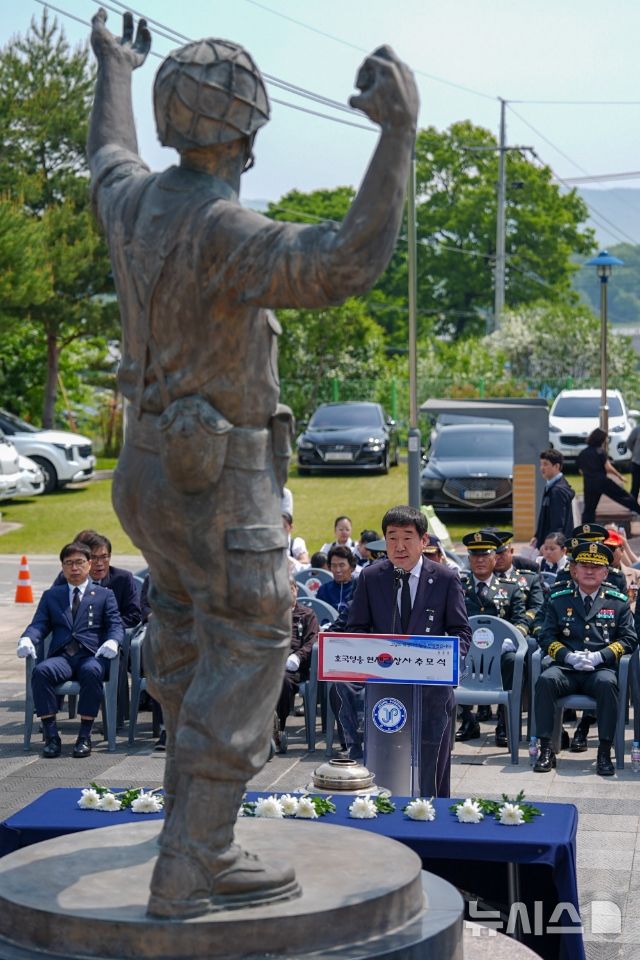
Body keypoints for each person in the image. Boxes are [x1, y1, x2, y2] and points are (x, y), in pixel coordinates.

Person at [88, 9, 419, 918]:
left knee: (192, 637)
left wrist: (112, 66)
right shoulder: (225, 231)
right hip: (217, 480)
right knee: (252, 639)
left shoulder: (132, 200)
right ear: (248, 133)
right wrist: (397, 136)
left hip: (146, 472)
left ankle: (181, 831)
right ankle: (197, 860)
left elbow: (105, 151)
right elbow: (344, 263)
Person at [345, 505, 471, 797]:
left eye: (407, 538)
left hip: (431, 691)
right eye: (392, 538)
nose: (399, 546)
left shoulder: (445, 578)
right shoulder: (371, 577)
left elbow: (461, 631)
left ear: (424, 541)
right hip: (384, 691)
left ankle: (433, 820)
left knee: (430, 772)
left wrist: (449, 662)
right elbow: (357, 628)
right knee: (384, 764)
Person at [533, 540, 637, 776]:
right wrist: (567, 656)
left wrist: (602, 656)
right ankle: (546, 748)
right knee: (546, 680)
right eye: (584, 566)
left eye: (596, 567)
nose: (590, 571)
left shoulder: (617, 602)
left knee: (608, 684)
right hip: (566, 669)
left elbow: (629, 639)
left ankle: (604, 751)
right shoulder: (559, 598)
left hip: (600, 669)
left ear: (605, 571)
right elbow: (546, 636)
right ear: (574, 570)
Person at [17, 541, 124, 758]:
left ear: (89, 564)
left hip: (90, 655)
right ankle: (52, 735)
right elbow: (39, 624)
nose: (74, 568)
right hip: (63, 657)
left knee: (92, 672)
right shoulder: (52, 595)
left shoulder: (104, 595)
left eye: (79, 562)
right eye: (68, 563)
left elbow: (115, 625)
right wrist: (27, 638)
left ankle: (84, 736)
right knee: (41, 672)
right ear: (62, 567)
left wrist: (114, 641)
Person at [456, 531, 529, 746]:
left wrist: (511, 638)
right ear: (468, 559)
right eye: (475, 556)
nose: (480, 561)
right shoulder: (458, 587)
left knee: (512, 660)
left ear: (495, 558)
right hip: (467, 649)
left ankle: (504, 723)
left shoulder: (510, 588)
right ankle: (468, 720)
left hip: (500, 652)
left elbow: (522, 621)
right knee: (448, 656)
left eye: (485, 555)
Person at [53, 530, 141, 628]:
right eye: (93, 558)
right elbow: (52, 611)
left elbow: (134, 616)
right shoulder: (67, 577)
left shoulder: (123, 578)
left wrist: (100, 626)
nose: (99, 563)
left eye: (104, 557)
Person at [275, 576, 318, 742]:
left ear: (295, 590)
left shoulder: (307, 615)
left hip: (295, 667)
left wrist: (297, 657)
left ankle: (279, 726)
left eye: (289, 589)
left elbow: (313, 640)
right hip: (271, 663)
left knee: (282, 680)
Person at [577, 428, 640, 524]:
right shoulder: (600, 451)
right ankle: (638, 510)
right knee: (623, 496)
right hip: (602, 481)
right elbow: (608, 467)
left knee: (589, 508)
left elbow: (580, 470)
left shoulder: (582, 453)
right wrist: (619, 476)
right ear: (601, 440)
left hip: (589, 483)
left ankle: (586, 529)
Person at [531, 449, 576, 549]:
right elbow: (545, 517)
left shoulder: (558, 490)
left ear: (557, 466)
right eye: (541, 464)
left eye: (546, 464)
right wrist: (537, 536)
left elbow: (558, 523)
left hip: (554, 548)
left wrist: (549, 547)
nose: (542, 468)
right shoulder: (550, 487)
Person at [316, 545, 357, 619]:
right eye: (334, 566)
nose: (337, 570)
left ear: (351, 566)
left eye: (342, 565)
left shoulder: (359, 588)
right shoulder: (324, 590)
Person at [625, 422, 640, 503]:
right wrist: (635, 452)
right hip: (637, 462)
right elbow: (629, 443)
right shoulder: (637, 429)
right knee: (635, 485)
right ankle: (632, 505)